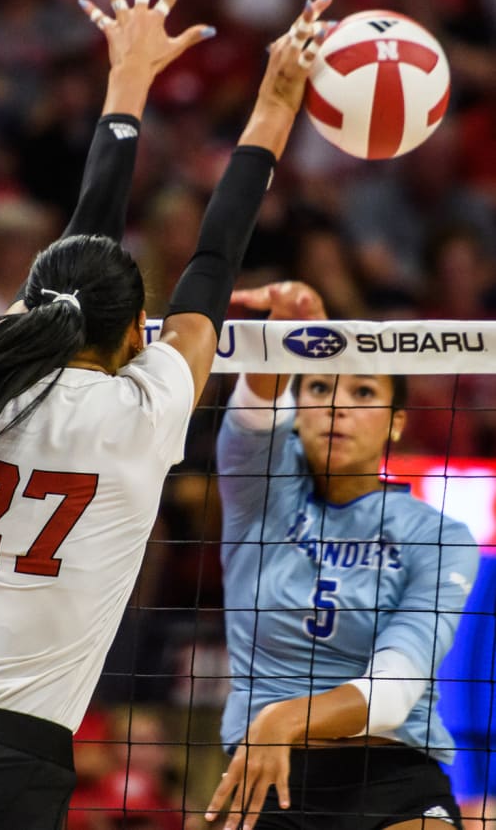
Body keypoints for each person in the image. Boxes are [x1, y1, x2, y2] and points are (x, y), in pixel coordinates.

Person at [0, 0, 332, 830]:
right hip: (1, 763)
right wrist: (275, 106)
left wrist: (126, 80)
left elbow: (91, 241)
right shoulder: (141, 412)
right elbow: (211, 262)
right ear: (135, 335)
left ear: (34, 308)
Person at [204, 280, 480, 830]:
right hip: (267, 771)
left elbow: (396, 691)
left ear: (397, 422)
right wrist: (282, 334)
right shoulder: (261, 489)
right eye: (319, 388)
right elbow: (256, 408)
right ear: (297, 408)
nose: (336, 408)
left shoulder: (438, 534)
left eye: (362, 393)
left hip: (392, 770)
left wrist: (286, 718)